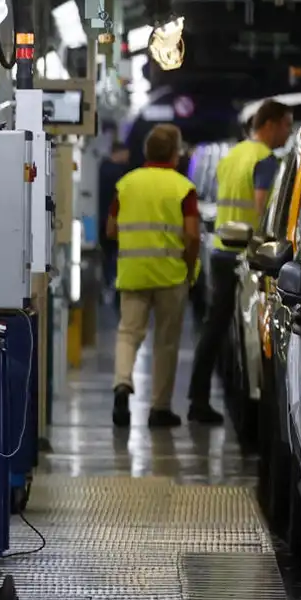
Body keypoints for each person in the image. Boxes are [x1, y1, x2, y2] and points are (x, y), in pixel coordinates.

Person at [188, 99, 294, 424]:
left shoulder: (233, 156)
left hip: (224, 249)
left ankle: (199, 396)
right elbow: (264, 209)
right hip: (248, 258)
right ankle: (202, 400)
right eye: (287, 125)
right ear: (270, 123)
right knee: (247, 339)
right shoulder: (264, 160)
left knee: (217, 328)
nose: (288, 133)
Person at [108, 123, 200, 429]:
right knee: (166, 342)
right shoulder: (182, 188)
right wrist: (189, 266)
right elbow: (192, 235)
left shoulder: (126, 184)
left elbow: (111, 229)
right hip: (170, 276)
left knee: (128, 333)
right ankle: (160, 409)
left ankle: (122, 385)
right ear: (174, 154)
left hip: (133, 273)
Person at [97, 140, 132, 313]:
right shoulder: (119, 174)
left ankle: (107, 286)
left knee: (106, 256)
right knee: (114, 258)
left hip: (99, 220)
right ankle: (113, 287)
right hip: (113, 221)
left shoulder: (101, 168)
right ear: (119, 152)